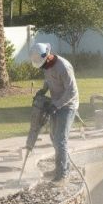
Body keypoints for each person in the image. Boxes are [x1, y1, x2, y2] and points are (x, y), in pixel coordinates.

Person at [29, 42, 78, 182]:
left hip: (68, 105)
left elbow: (72, 92)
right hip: (55, 103)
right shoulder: (46, 65)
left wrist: (56, 105)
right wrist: (44, 90)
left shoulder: (63, 67)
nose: (42, 67)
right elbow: (48, 79)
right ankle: (61, 167)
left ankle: (62, 174)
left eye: (43, 64)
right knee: (53, 136)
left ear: (48, 56)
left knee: (60, 139)